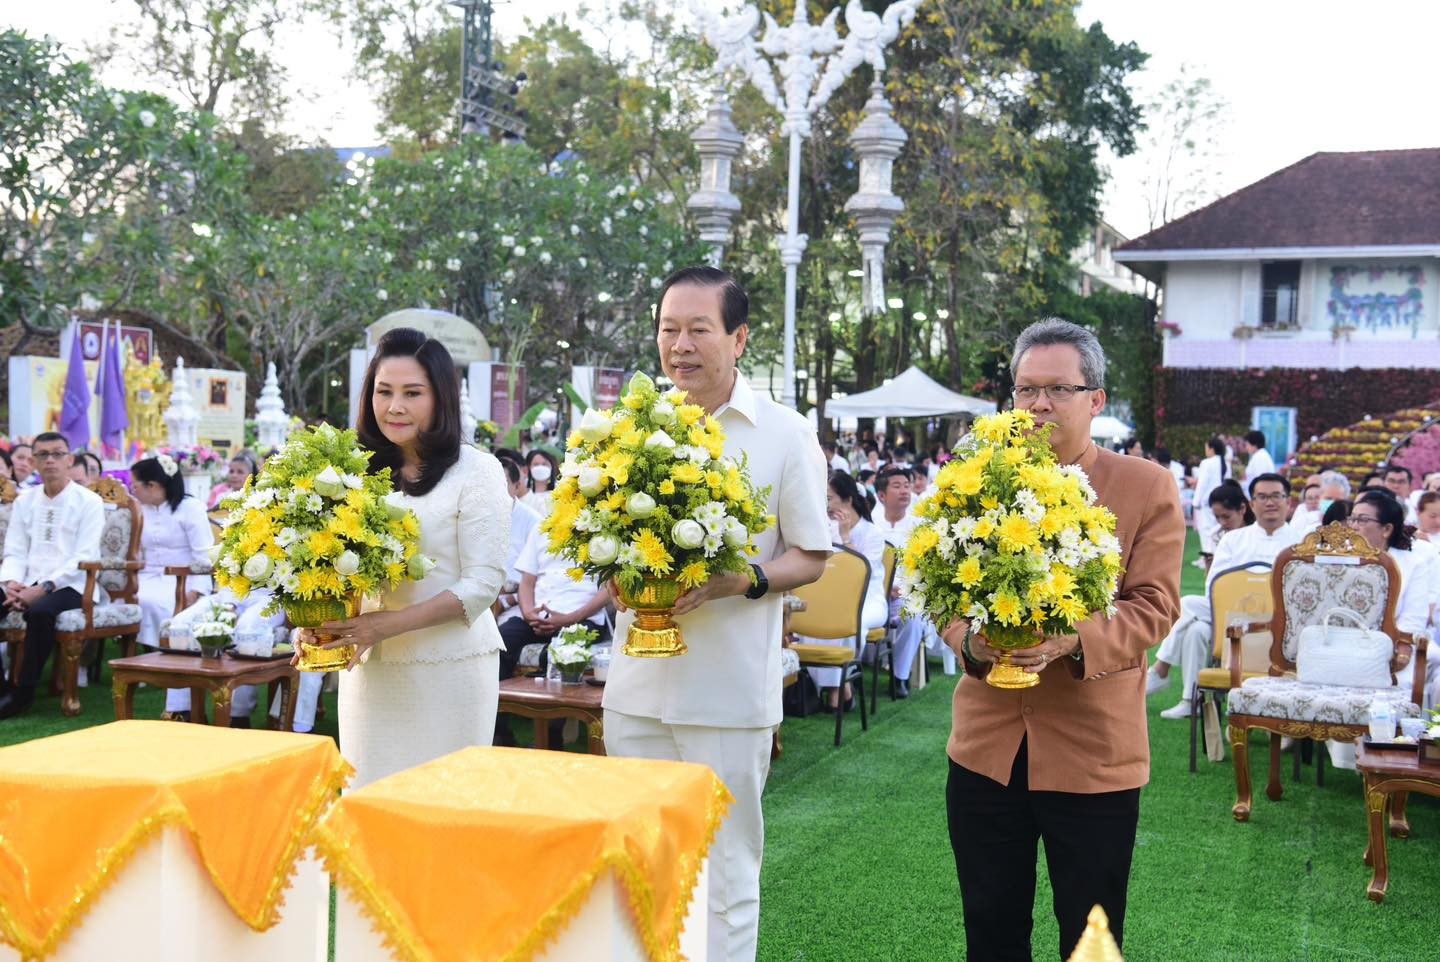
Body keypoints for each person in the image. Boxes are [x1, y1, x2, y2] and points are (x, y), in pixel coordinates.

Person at [603, 266, 829, 962]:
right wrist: (616, 574)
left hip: (728, 697)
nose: (681, 345)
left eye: (699, 329)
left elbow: (812, 555)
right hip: (635, 691)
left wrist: (744, 580)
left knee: (724, 877)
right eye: (669, 329)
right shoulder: (628, 429)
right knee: (638, 870)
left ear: (739, 338)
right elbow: (599, 535)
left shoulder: (784, 434)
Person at [940, 318, 1183, 959]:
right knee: (990, 930)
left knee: (1090, 936)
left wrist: (1072, 640)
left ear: (1095, 399)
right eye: (1026, 390)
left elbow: (1156, 606)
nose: (1039, 404)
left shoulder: (1145, 486)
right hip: (986, 749)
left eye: (1058, 390)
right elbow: (943, 592)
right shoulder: (976, 481)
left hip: (1094, 753)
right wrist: (969, 643)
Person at [299, 328, 511, 788]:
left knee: (443, 807)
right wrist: (316, 622)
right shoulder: (352, 472)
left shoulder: (477, 470)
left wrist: (385, 626)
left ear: (441, 398)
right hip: (369, 670)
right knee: (367, 802)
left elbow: (482, 585)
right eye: (384, 391)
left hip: (450, 669)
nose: (395, 406)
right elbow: (329, 565)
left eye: (412, 393)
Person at [1147, 475, 1298, 719]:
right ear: (1252, 503)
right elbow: (1214, 587)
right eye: (1262, 497)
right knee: (1195, 626)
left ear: (1288, 502)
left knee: (1189, 610)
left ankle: (1160, 670)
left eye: (1276, 496)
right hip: (1233, 616)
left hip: (1280, 620)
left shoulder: (1300, 542)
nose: (1270, 502)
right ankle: (1191, 701)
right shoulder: (1233, 539)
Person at [0, 432, 105, 719]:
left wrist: (43, 587)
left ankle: (23, 693)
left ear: (69, 460)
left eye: (57, 454)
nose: (50, 460)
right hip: (27, 580)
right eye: (43, 455)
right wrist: (11, 583)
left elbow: (83, 556)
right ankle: (3, 688)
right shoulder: (25, 501)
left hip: (74, 584)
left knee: (40, 612)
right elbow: (15, 550)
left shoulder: (89, 502)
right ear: (34, 461)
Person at [796, 470, 885, 709]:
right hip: (831, 597)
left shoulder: (873, 533)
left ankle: (838, 687)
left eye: (829, 498)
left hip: (869, 599)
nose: (825, 504)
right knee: (814, 618)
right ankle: (836, 687)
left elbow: (862, 572)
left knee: (848, 622)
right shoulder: (826, 529)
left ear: (848, 499)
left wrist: (846, 537)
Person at [131, 456, 215, 651]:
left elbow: (204, 555)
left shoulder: (190, 508)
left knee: (155, 602)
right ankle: (142, 654)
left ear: (152, 485)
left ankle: (164, 652)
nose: (133, 491)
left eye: (135, 486)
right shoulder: (139, 509)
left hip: (183, 579)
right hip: (146, 576)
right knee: (127, 598)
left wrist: (196, 591)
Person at [870, 464, 930, 694]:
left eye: (907, 485)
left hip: (906, 592)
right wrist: (883, 587)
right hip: (874, 593)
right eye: (897, 486)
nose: (904, 490)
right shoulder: (872, 523)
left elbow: (925, 567)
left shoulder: (919, 525)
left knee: (913, 616)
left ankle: (900, 676)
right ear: (881, 495)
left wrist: (903, 588)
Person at [1192, 436, 1229, 564]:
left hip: (1207, 503)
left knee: (1206, 531)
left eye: (1206, 448)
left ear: (1211, 449)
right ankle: (1214, 557)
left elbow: (1202, 484)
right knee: (1217, 530)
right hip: (1221, 501)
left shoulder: (1207, 463)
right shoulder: (1224, 463)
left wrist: (1195, 502)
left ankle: (1207, 558)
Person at [522, 447, 558, 516]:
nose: (540, 467)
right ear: (528, 468)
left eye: (544, 464)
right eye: (536, 464)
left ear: (551, 467)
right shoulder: (524, 493)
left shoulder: (559, 491)